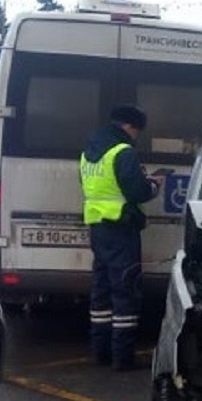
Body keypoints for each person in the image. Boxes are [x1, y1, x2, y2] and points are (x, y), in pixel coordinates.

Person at [80, 105, 161, 371]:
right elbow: (137, 192)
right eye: (137, 131)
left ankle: (100, 352)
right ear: (129, 127)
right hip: (121, 229)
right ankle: (122, 358)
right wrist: (154, 185)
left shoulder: (90, 151)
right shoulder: (123, 152)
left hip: (98, 228)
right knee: (125, 291)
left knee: (101, 292)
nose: (137, 136)